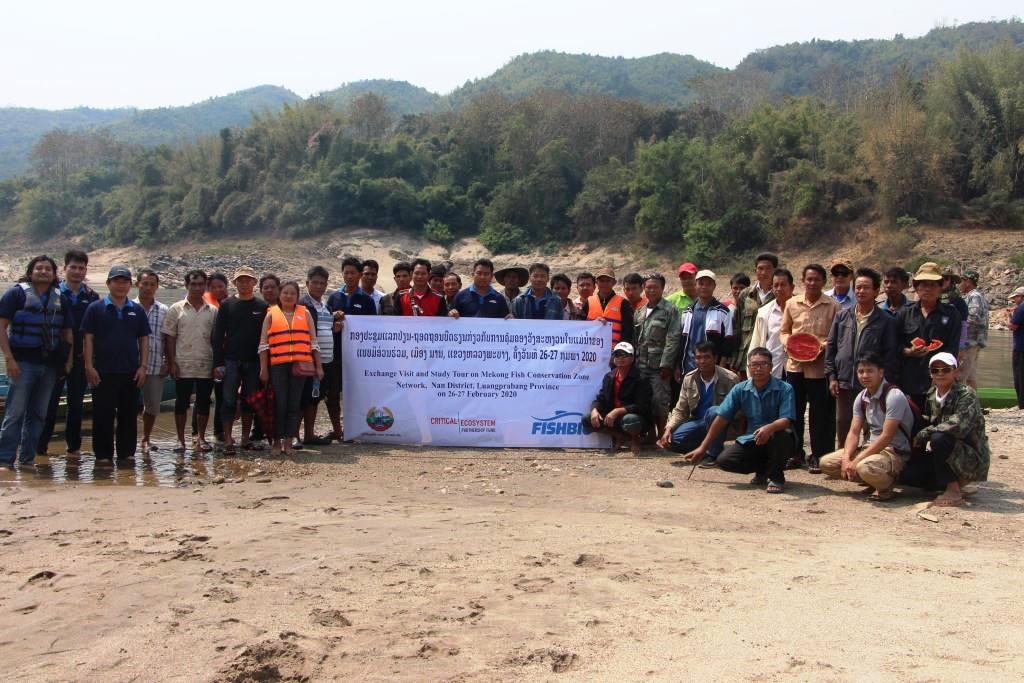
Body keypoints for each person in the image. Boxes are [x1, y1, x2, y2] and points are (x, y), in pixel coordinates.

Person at [682, 347, 796, 494]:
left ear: (771, 367)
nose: (758, 369)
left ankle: (777, 477)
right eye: (754, 365)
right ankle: (762, 470)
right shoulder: (740, 389)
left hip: (780, 437)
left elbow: (786, 420)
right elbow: (722, 417)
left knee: (779, 436)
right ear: (748, 367)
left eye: (763, 364)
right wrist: (703, 447)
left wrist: (769, 428)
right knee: (725, 460)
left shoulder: (785, 388)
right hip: (752, 439)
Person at [0, 255, 73, 470]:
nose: (43, 272)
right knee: (15, 413)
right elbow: (2, 326)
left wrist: (67, 362)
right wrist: (9, 359)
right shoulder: (16, 294)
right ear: (31, 272)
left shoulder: (61, 298)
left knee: (39, 414)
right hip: (22, 363)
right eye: (39, 268)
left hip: (49, 365)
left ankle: (27, 459)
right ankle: (5, 460)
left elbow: (68, 333)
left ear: (54, 274)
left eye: (48, 269)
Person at [820, 352, 917, 501]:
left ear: (881, 372)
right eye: (861, 371)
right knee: (826, 463)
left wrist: (857, 461)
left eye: (870, 371)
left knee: (863, 467)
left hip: (894, 452)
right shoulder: (861, 397)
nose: (865, 375)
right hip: (869, 449)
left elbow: (886, 437)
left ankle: (885, 487)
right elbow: (853, 432)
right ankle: (871, 478)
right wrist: (846, 459)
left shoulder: (894, 396)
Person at [81, 265, 150, 464]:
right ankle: (103, 456)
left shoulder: (136, 310)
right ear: (108, 284)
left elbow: (144, 339)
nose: (121, 285)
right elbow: (88, 339)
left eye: (124, 281)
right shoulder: (96, 308)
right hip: (102, 371)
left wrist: (143, 366)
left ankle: (126, 454)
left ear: (130, 285)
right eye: (116, 281)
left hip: (130, 371)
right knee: (103, 415)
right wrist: (89, 366)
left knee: (128, 415)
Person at [825, 267, 900, 447]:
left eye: (866, 287)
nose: (861, 291)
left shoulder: (885, 320)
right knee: (843, 422)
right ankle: (844, 458)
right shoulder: (843, 316)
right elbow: (832, 346)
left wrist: (884, 382)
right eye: (858, 287)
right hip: (844, 381)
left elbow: (891, 353)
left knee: (871, 423)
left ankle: (868, 460)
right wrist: (832, 376)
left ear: (876, 291)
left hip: (872, 382)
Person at [37, 249, 99, 458]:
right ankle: (41, 447)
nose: (77, 272)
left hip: (81, 359)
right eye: (73, 267)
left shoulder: (92, 297)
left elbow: (94, 332)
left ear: (85, 271)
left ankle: (73, 448)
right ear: (64, 269)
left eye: (81, 268)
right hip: (54, 359)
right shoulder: (52, 294)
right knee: (48, 403)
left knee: (76, 405)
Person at [779, 263, 840, 473]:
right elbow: (784, 330)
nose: (812, 283)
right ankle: (794, 453)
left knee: (819, 414)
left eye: (817, 279)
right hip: (795, 367)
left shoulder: (833, 306)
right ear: (803, 281)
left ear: (823, 282)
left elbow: (835, 337)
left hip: (819, 368)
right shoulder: (791, 304)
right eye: (809, 279)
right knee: (793, 411)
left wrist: (819, 347)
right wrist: (789, 344)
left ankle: (819, 456)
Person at [911, 353, 990, 507]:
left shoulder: (966, 394)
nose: (940, 374)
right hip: (945, 453)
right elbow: (928, 420)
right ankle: (955, 483)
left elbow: (957, 425)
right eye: (935, 370)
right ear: (930, 373)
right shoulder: (931, 395)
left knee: (939, 437)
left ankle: (953, 490)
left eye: (945, 369)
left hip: (969, 454)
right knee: (909, 476)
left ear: (956, 371)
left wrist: (925, 433)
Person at [258, 281, 323, 457]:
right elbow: (263, 345)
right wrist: (264, 369)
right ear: (280, 295)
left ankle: (288, 442)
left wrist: (319, 367)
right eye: (285, 293)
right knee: (280, 404)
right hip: (278, 366)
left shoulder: (305, 313)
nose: (288, 296)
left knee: (294, 404)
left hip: (300, 366)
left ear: (297, 296)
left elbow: (313, 342)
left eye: (292, 293)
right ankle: (276, 441)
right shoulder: (271, 315)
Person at [212, 267, 267, 454]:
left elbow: (265, 338)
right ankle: (228, 440)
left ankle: (245, 439)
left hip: (253, 361)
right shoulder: (227, 305)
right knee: (227, 400)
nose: (244, 284)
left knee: (249, 401)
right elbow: (218, 335)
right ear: (235, 283)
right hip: (231, 360)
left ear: (254, 282)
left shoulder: (261, 306)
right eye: (240, 280)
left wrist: (264, 364)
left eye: (248, 280)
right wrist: (218, 363)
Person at [657, 341, 738, 465]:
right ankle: (704, 449)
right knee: (671, 442)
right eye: (698, 357)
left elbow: (739, 410)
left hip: (722, 424)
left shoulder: (730, 379)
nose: (702, 361)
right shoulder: (690, 378)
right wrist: (668, 429)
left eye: (706, 357)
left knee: (714, 412)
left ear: (715, 358)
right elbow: (680, 409)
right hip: (697, 421)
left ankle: (713, 455)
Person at [163, 270, 217, 452]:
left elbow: (216, 340)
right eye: (193, 284)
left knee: (203, 402)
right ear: (186, 285)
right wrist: (171, 362)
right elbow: (169, 337)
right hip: (182, 364)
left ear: (205, 286)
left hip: (205, 363)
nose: (197, 288)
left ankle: (201, 438)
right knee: (181, 402)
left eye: (201, 284)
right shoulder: (176, 309)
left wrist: (217, 365)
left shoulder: (213, 311)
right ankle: (180, 440)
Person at [896, 262, 962, 409]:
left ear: (941, 287)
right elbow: (893, 345)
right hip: (908, 381)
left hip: (939, 382)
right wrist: (907, 351)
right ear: (916, 286)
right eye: (923, 284)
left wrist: (941, 376)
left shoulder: (952, 315)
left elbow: (953, 349)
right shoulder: (904, 313)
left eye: (933, 285)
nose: (927, 288)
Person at [326, 256, 377, 439]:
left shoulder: (367, 300)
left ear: (359, 275)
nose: (349, 276)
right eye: (346, 272)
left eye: (353, 273)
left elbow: (372, 330)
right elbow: (324, 326)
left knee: (357, 394)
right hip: (336, 354)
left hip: (358, 357)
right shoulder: (334, 297)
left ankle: (355, 428)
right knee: (333, 394)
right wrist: (334, 322)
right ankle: (337, 430)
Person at [633, 273, 680, 437]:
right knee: (644, 400)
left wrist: (667, 364)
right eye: (648, 287)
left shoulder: (670, 310)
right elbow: (635, 338)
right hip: (641, 364)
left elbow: (673, 339)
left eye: (655, 287)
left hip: (658, 365)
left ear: (662, 288)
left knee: (660, 401)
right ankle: (650, 435)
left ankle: (662, 435)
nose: (651, 290)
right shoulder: (640, 311)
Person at [298, 266, 340, 446]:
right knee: (304, 399)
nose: (318, 286)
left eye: (322, 283)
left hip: (327, 360)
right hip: (309, 361)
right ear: (307, 283)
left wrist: (335, 326)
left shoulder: (326, 307)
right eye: (314, 282)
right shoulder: (302, 305)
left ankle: (309, 434)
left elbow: (325, 329)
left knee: (316, 398)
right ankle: (299, 435)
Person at [584, 342, 652, 454]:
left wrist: (618, 411)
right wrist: (594, 410)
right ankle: (620, 436)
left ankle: (635, 439)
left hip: (636, 418)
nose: (620, 358)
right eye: (616, 355)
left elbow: (642, 406)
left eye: (624, 355)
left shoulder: (641, 378)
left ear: (632, 358)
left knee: (630, 420)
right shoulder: (609, 376)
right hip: (613, 419)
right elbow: (601, 398)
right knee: (587, 419)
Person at [134, 269, 168, 454]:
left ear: (157, 287)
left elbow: (168, 339)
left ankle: (146, 437)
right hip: (131, 365)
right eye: (144, 284)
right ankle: (127, 438)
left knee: (153, 405)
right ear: (137, 284)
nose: (148, 288)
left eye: (152, 284)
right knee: (127, 405)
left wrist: (168, 361)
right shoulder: (129, 307)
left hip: (155, 364)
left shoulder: (163, 310)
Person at [732, 252, 778, 376]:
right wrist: (734, 360)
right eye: (760, 268)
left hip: (772, 357)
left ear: (775, 270)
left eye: (768, 268)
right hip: (746, 356)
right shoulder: (745, 295)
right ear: (755, 270)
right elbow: (737, 328)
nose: (763, 272)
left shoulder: (780, 295)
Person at [678, 270, 733, 373]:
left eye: (708, 284)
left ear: (714, 286)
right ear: (695, 285)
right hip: (689, 365)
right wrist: (678, 365)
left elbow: (728, 341)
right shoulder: (687, 311)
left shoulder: (723, 311)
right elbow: (682, 340)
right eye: (701, 283)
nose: (704, 287)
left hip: (712, 366)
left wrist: (722, 366)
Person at [749, 267, 794, 379]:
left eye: (783, 285)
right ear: (772, 288)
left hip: (796, 369)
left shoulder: (801, 310)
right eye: (776, 285)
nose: (779, 289)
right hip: (772, 369)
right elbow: (756, 343)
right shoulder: (764, 313)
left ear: (792, 287)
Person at [201, 272, 229, 442]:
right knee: (203, 396)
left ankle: (219, 431)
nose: (217, 290)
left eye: (220, 286)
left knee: (222, 396)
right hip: (205, 355)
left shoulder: (232, 303)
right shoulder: (203, 305)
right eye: (213, 287)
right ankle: (198, 433)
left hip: (225, 358)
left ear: (226, 287)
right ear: (208, 288)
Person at [580, 267, 634, 345]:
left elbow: (627, 331)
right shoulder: (588, 302)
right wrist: (593, 323)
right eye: (602, 281)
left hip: (614, 353)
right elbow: (579, 325)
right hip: (592, 351)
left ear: (614, 283)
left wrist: (620, 351)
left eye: (608, 281)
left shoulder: (623, 303)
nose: (604, 284)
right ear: (596, 282)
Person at [958, 269, 989, 390]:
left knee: (960, 375)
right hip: (975, 342)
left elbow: (972, 318)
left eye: (962, 281)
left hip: (970, 342)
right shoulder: (978, 295)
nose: (959, 284)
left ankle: (960, 405)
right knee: (971, 377)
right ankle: (974, 405)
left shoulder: (974, 296)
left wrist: (959, 333)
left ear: (968, 281)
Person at [1010, 287, 1024, 409]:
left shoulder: (1021, 309)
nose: (1014, 299)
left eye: (1016, 297)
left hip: (1020, 347)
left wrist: (1007, 317)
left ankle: (1022, 404)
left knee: (1019, 376)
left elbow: (1013, 326)